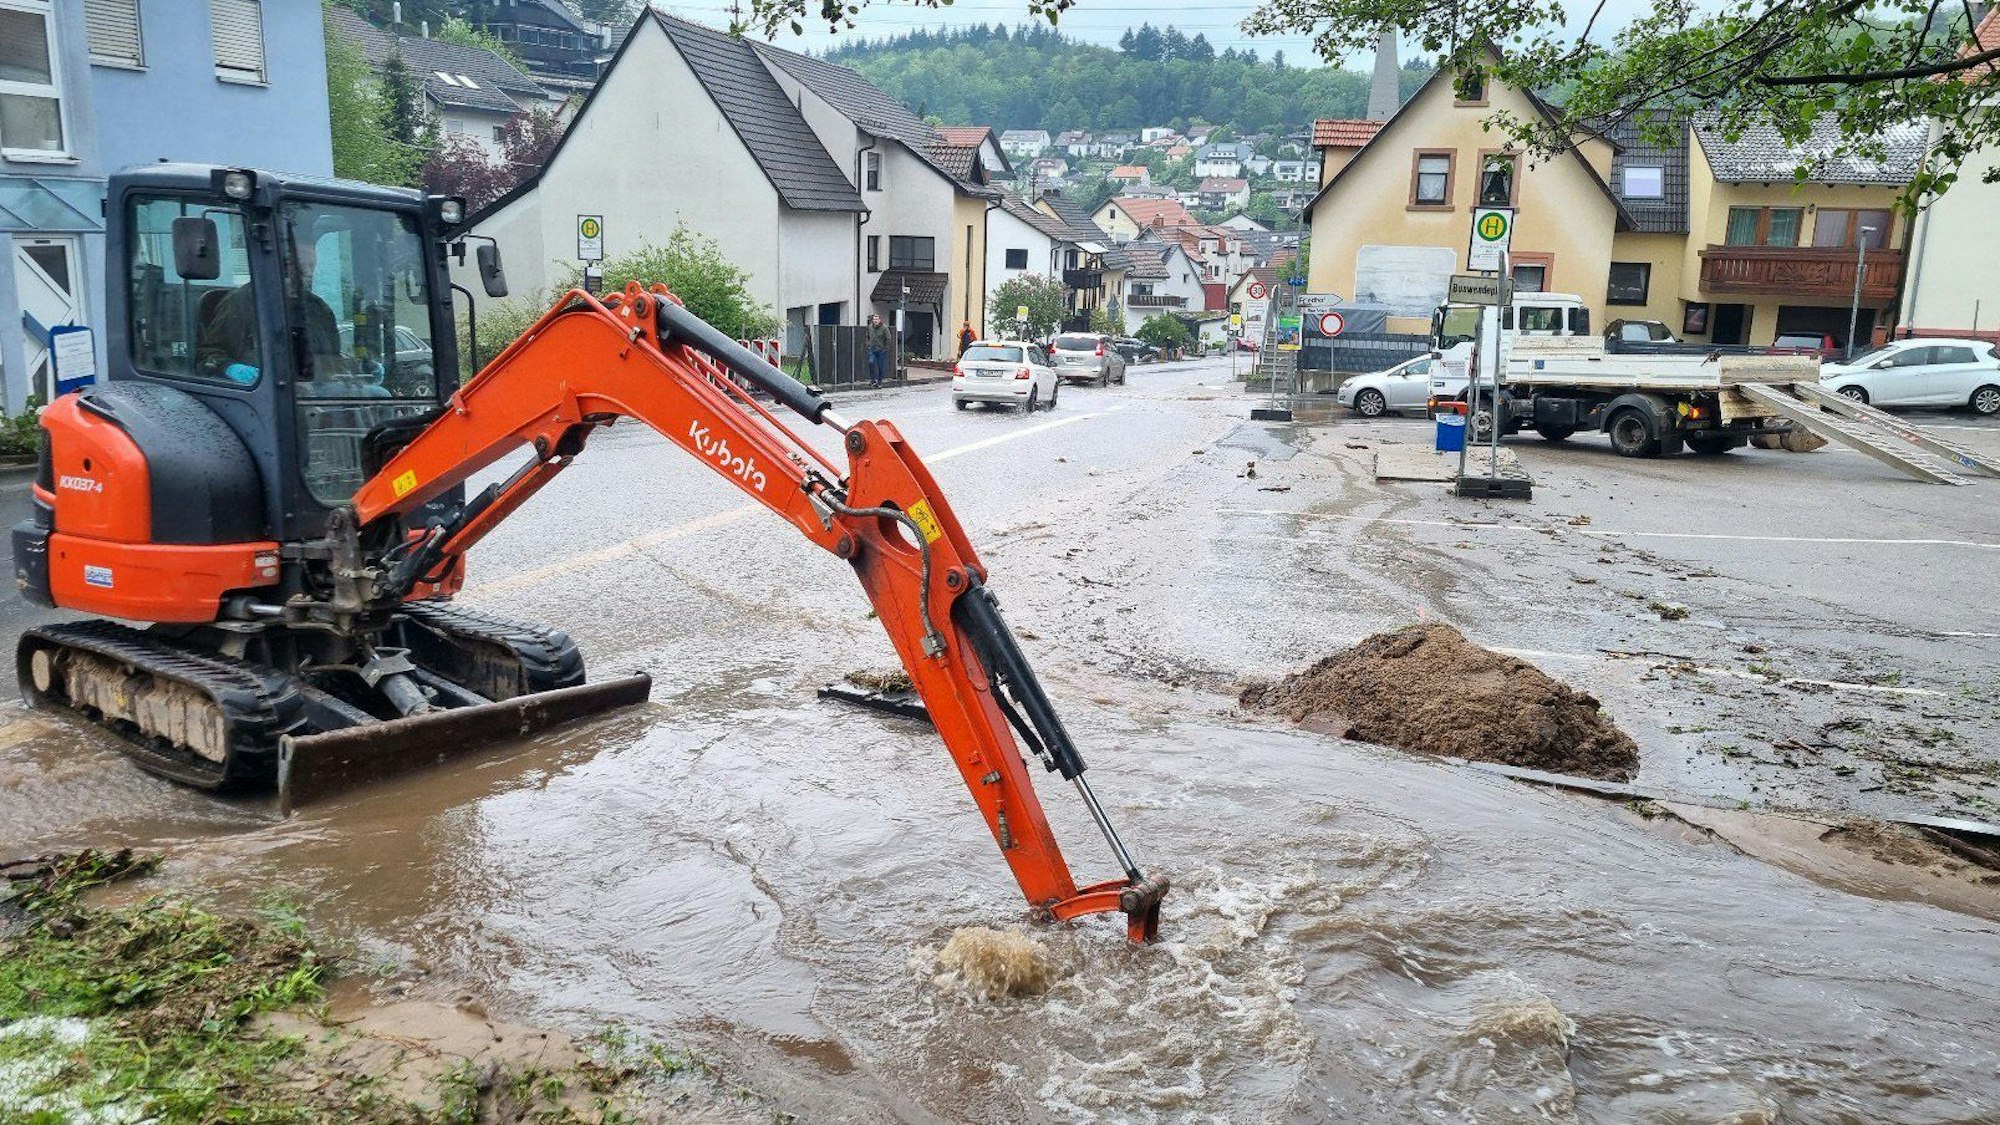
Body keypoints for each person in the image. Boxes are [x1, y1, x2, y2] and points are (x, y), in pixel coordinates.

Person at [865, 314, 892, 388]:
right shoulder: (870, 327)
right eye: (874, 319)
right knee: (871, 362)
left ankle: (879, 382)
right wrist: (868, 344)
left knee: (880, 367)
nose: (875, 321)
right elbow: (867, 336)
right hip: (872, 349)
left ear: (880, 320)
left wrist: (885, 349)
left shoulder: (884, 328)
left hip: (881, 350)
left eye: (877, 319)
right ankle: (873, 379)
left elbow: (888, 339)